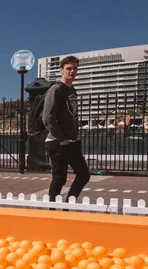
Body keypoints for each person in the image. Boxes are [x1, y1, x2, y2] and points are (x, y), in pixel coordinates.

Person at [42, 55, 90, 202]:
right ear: (61, 70)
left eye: (75, 68)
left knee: (83, 174)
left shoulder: (72, 90)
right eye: (68, 68)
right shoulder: (56, 89)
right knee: (59, 177)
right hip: (58, 142)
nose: (72, 71)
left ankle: (69, 204)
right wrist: (61, 139)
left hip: (72, 141)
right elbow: (47, 118)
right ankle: (51, 210)